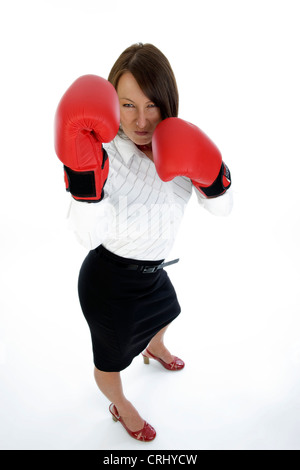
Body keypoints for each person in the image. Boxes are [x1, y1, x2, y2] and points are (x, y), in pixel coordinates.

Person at [54, 43, 233, 442]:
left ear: (167, 103)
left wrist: (213, 169)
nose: (140, 120)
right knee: (110, 360)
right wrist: (86, 183)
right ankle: (121, 404)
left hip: (153, 272)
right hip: (109, 281)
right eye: (127, 105)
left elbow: (221, 211)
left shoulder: (180, 143)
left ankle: (154, 349)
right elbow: (86, 236)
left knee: (169, 311)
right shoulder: (102, 154)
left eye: (151, 105)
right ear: (110, 103)